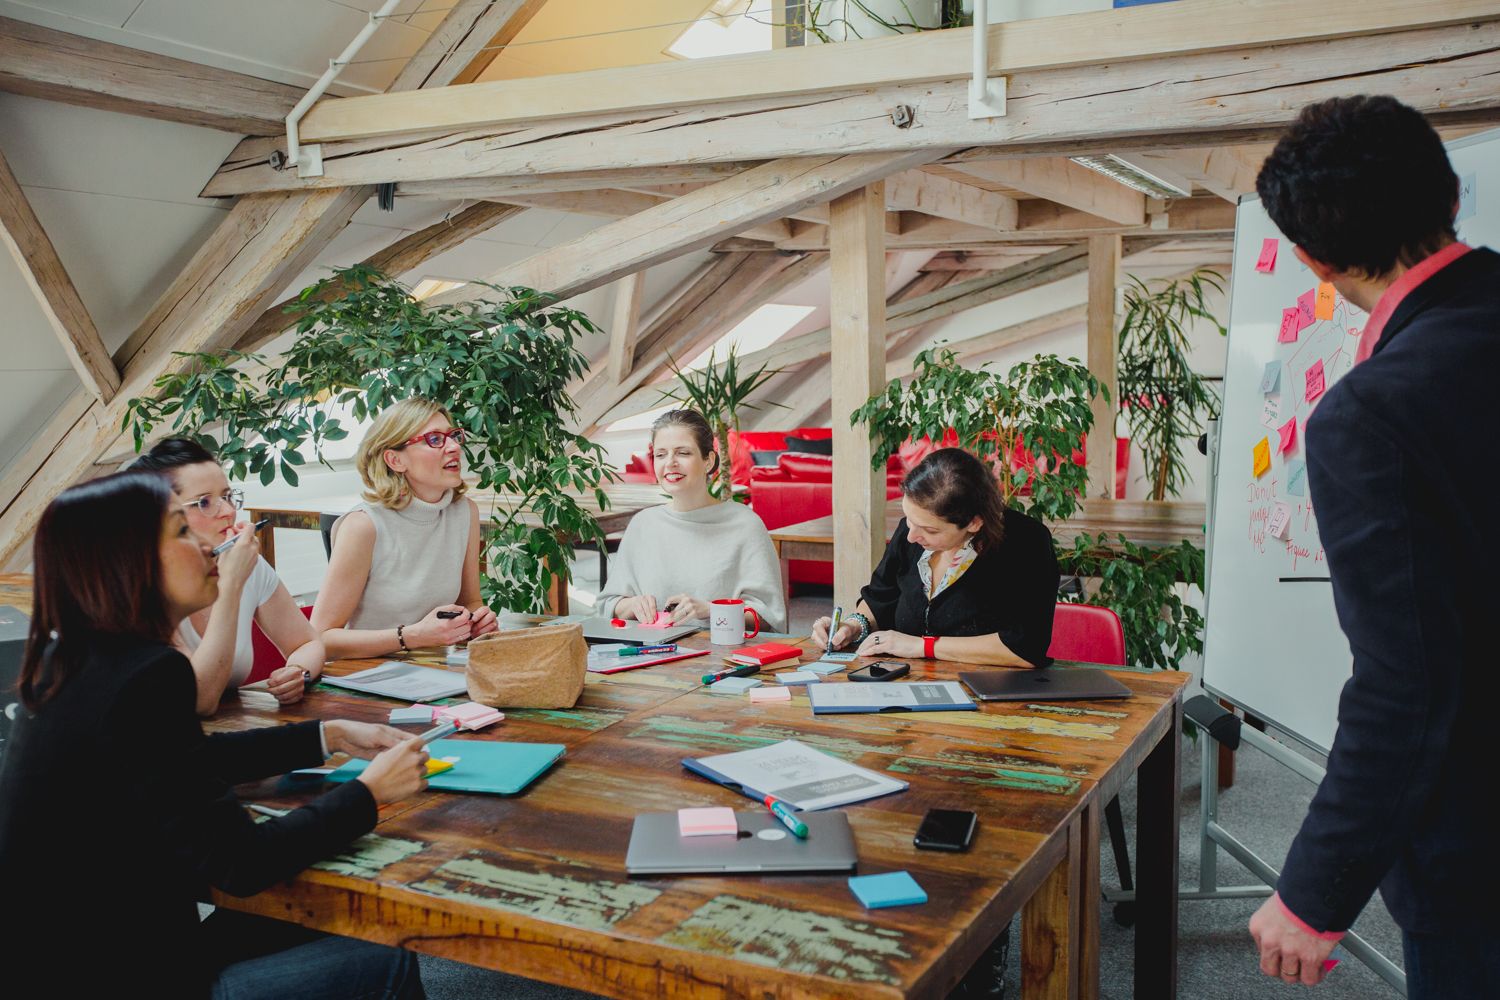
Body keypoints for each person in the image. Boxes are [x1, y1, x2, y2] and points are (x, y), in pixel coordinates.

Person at [1247, 95, 1499, 996]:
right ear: (1452, 197)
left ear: (1313, 260)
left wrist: (1314, 892)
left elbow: (1410, 681)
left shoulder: (1373, 413)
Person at [0, 470, 430, 997]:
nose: (208, 546)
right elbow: (242, 862)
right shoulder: (148, 674)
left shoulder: (67, 658)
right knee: (388, 958)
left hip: (57, 964)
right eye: (183, 531)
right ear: (129, 561)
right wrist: (369, 792)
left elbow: (185, 759)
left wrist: (329, 734)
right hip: (127, 976)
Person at [812, 447, 1057, 666]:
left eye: (930, 530)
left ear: (974, 522)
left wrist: (923, 646)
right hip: (906, 681)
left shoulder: (1027, 542)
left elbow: (1025, 647)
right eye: (909, 519)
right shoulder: (911, 531)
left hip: (992, 690)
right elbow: (880, 598)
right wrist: (853, 626)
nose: (911, 537)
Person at [133, 438, 326, 713]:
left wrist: (297, 671)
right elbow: (198, 699)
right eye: (204, 502)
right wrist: (231, 582)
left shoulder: (245, 562)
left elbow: (308, 642)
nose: (229, 511)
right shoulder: (142, 584)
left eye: (226, 496)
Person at [313, 398, 498, 658]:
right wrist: (410, 637)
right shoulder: (363, 525)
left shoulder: (464, 511)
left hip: (434, 669)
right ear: (395, 460)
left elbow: (469, 602)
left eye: (453, 436)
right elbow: (320, 638)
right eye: (435, 439)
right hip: (369, 672)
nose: (454, 446)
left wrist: (479, 622)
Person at [594, 409, 787, 632]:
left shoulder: (746, 525)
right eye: (660, 454)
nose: (670, 463)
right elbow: (609, 604)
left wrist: (713, 611)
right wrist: (632, 605)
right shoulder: (642, 524)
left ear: (708, 461)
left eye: (683, 453)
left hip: (720, 651)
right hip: (650, 650)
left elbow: (768, 617)